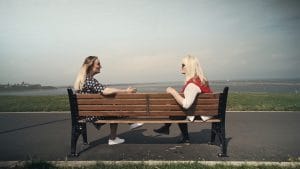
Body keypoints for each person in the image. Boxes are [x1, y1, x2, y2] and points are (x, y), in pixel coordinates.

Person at [74, 56, 143, 145]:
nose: (101, 66)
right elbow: (105, 91)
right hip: (94, 115)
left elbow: (104, 90)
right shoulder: (90, 80)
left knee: (113, 107)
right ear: (90, 66)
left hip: (86, 114)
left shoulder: (82, 81)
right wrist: (125, 91)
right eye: (98, 64)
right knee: (114, 107)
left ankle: (114, 137)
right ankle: (131, 122)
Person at [153, 55, 213, 144]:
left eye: (183, 65)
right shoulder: (200, 80)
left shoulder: (192, 84)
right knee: (178, 111)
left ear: (189, 67)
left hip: (202, 113)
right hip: (207, 110)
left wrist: (173, 92)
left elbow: (186, 104)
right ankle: (176, 133)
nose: (181, 67)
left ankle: (167, 128)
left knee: (178, 110)